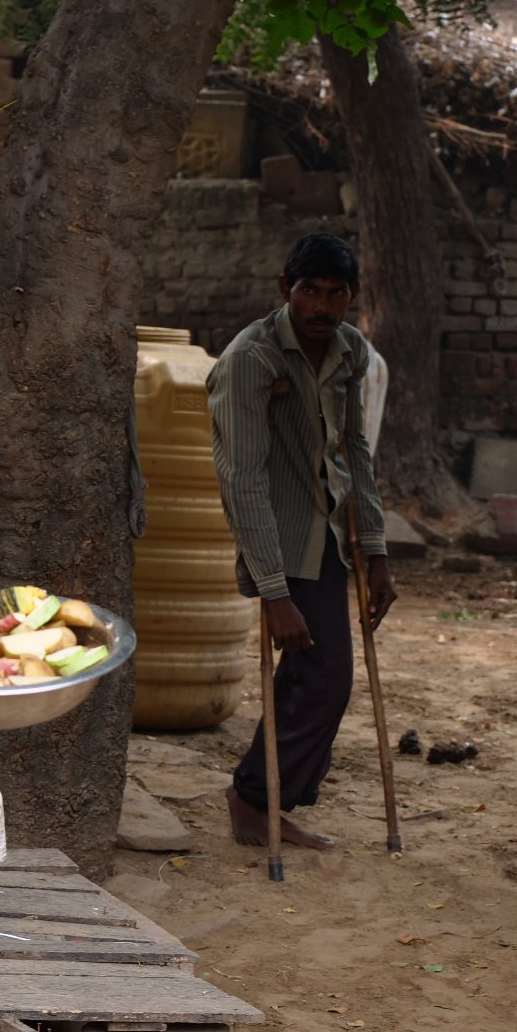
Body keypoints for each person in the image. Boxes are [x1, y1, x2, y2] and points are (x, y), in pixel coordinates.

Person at [205, 232, 398, 851]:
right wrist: (273, 591)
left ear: (351, 296)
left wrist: (376, 548)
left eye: (335, 293)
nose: (321, 306)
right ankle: (255, 799)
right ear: (284, 289)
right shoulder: (250, 359)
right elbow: (241, 478)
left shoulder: (349, 350)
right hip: (281, 544)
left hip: (332, 538)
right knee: (325, 677)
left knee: (314, 674)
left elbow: (355, 451)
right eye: (308, 290)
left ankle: (259, 798)